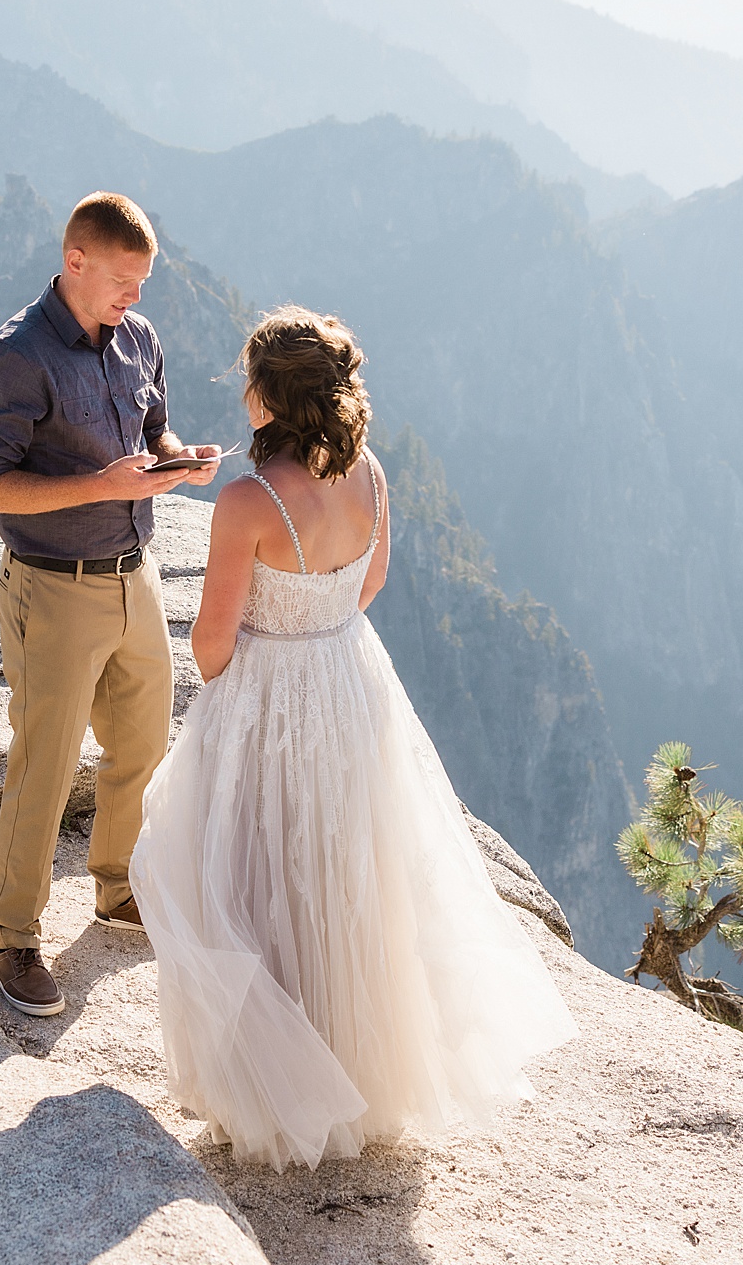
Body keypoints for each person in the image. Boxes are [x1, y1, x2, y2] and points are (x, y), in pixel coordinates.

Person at [129, 306, 577, 1170]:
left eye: (249, 378)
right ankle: (359, 1077)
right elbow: (369, 581)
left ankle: (272, 1088)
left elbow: (212, 645)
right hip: (349, 681)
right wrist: (319, 631)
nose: (242, 389)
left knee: (257, 873)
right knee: (348, 874)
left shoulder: (248, 502)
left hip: (270, 694)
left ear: (270, 400)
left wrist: (257, 674)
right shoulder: (369, 471)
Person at [0, 192, 222, 1018]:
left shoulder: (138, 340)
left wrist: (179, 462)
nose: (135, 298)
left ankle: (117, 890)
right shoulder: (16, 356)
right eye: (124, 280)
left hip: (134, 576)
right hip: (52, 585)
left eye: (142, 282)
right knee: (44, 765)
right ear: (76, 261)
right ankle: (13, 942)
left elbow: (156, 434)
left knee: (142, 743)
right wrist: (97, 485)